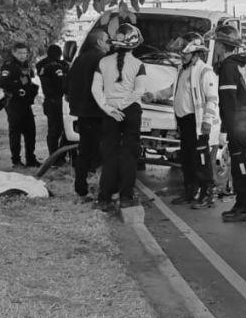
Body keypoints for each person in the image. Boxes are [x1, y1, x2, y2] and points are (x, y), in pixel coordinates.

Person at [143, 33, 218, 208]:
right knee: (187, 158)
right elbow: (172, 90)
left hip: (197, 123)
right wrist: (153, 95)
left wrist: (207, 121)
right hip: (184, 122)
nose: (181, 55)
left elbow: (212, 99)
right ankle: (190, 191)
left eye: (185, 53)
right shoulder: (181, 69)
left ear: (195, 53)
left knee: (201, 159)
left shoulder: (204, 71)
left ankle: (207, 194)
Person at [91, 24, 146, 211]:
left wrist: (109, 108)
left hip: (109, 113)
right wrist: (123, 105)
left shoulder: (103, 63)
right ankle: (126, 197)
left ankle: (104, 198)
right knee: (129, 156)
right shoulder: (138, 65)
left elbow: (95, 90)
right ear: (134, 43)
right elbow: (140, 90)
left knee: (109, 155)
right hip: (130, 111)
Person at [212, 25, 246, 222]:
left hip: (236, 121)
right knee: (241, 163)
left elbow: (228, 101)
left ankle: (245, 208)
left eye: (217, 44)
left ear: (222, 46)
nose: (216, 48)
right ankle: (242, 204)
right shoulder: (240, 65)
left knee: (240, 165)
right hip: (243, 119)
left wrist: (225, 128)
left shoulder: (228, 67)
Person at [66, 29, 111, 201]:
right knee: (104, 151)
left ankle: (81, 188)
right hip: (99, 113)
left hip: (83, 114)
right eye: (107, 41)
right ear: (99, 42)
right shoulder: (102, 60)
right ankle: (103, 189)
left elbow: (67, 85)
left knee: (84, 151)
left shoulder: (79, 60)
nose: (109, 44)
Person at [0, 42, 40, 168]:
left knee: (30, 132)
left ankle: (31, 159)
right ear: (14, 53)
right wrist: (18, 87)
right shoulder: (8, 66)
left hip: (25, 103)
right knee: (15, 132)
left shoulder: (25, 65)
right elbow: (4, 83)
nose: (23, 56)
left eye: (25, 53)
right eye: (20, 53)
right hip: (13, 103)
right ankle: (16, 160)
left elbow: (28, 80)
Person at [36, 44, 70, 162]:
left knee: (55, 130)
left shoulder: (41, 65)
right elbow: (62, 83)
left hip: (50, 101)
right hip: (57, 100)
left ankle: (55, 157)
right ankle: (57, 157)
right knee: (59, 130)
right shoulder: (56, 66)